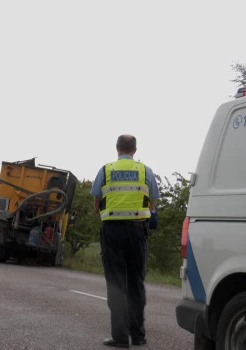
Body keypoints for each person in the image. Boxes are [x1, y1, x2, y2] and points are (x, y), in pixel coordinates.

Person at [90, 134, 160, 348]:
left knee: (116, 284)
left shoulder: (105, 170)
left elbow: (96, 204)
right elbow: (153, 204)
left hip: (112, 232)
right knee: (136, 284)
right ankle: (138, 336)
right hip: (138, 231)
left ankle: (120, 338)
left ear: (117, 148)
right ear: (135, 150)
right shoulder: (146, 171)